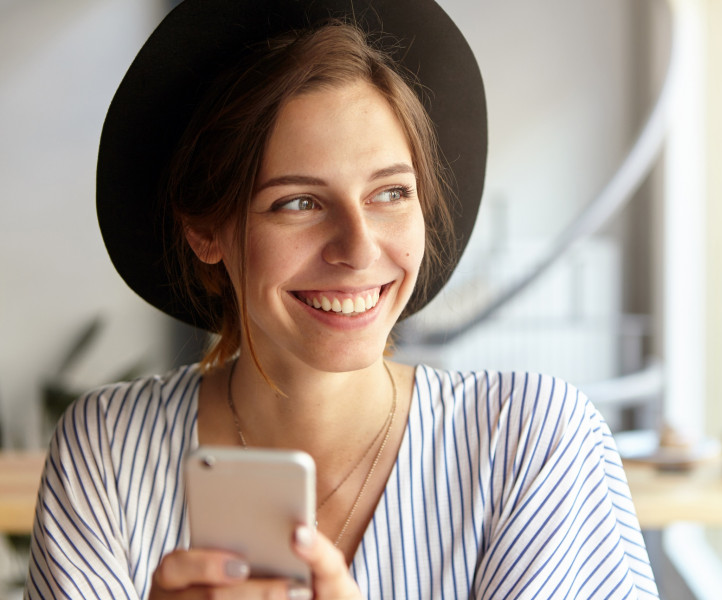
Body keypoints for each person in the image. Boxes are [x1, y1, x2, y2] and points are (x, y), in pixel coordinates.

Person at [25, 0, 659, 598]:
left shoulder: (529, 443)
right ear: (205, 231)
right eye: (298, 203)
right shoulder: (106, 451)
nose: (358, 249)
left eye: (390, 193)